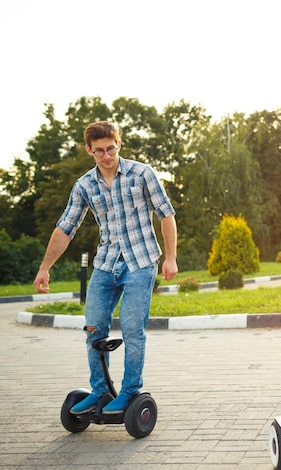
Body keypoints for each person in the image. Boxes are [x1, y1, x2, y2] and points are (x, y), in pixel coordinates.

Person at [33, 121, 178, 415]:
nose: (107, 155)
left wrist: (171, 258)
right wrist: (45, 267)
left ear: (119, 144)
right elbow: (65, 227)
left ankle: (129, 391)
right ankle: (100, 391)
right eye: (99, 151)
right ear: (90, 150)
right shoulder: (85, 185)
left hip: (140, 261)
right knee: (92, 328)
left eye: (111, 148)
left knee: (131, 329)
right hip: (106, 263)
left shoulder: (141, 174)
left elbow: (166, 215)